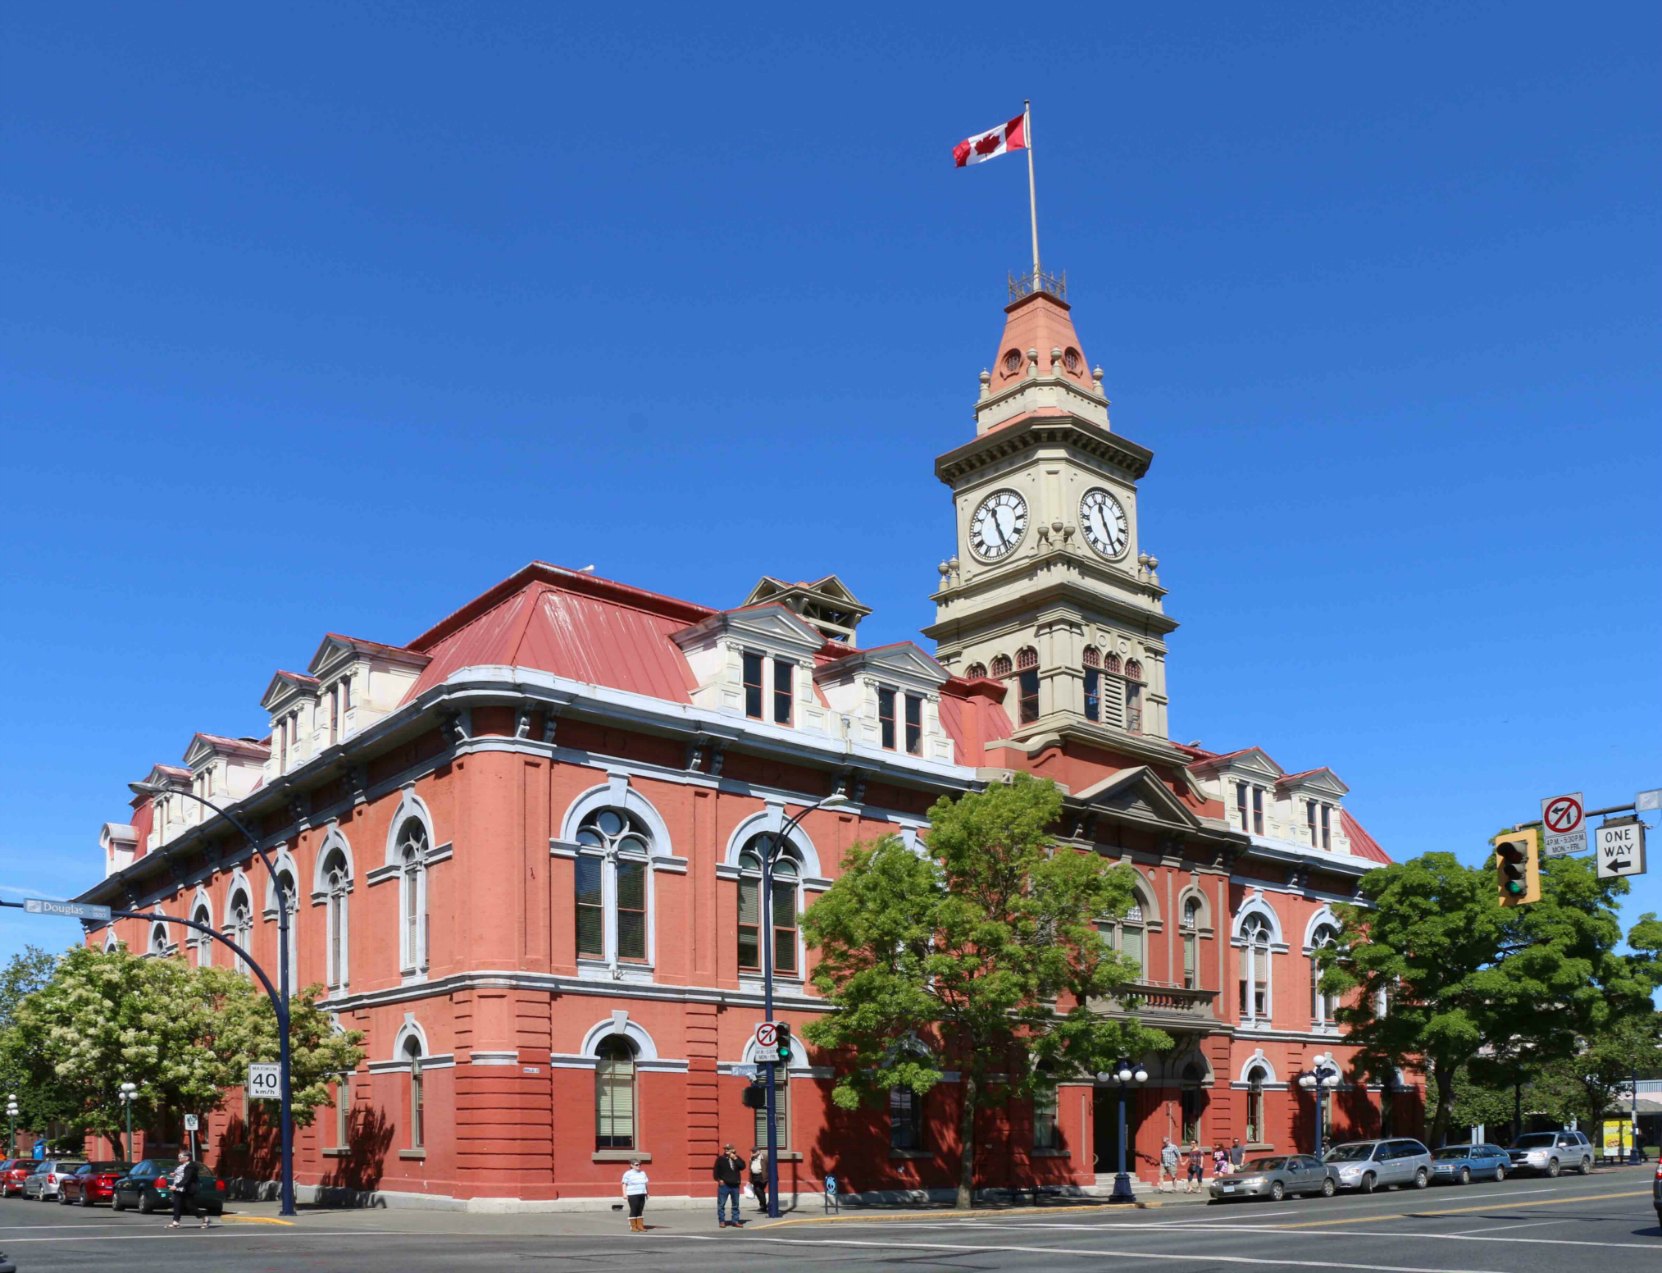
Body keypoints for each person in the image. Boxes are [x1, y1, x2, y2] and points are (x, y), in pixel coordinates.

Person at [165, 1148, 208, 1230]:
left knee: (190, 1206)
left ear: (187, 1158)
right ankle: (175, 1221)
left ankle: (204, 1218)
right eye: (178, 1156)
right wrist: (174, 1174)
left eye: (181, 1156)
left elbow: (187, 1179)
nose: (179, 1158)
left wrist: (176, 1186)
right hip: (179, 1188)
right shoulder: (182, 1165)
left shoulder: (191, 1167)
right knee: (177, 1204)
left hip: (187, 1188)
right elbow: (181, 1173)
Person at [713, 1143, 744, 1228]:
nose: (726, 1150)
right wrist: (719, 1180)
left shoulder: (736, 1158)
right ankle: (722, 1221)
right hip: (724, 1185)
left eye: (728, 1149)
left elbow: (742, 1166)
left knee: (735, 1205)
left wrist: (735, 1158)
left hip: (735, 1185)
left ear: (733, 1150)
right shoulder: (720, 1159)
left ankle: (735, 1221)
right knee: (721, 1205)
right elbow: (715, 1172)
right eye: (725, 1149)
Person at [621, 1158, 649, 1233]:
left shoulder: (642, 1173)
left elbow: (645, 1184)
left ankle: (640, 1226)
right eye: (637, 1164)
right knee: (634, 1209)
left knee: (640, 1210)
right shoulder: (628, 1173)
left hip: (642, 1193)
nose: (639, 1166)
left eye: (640, 1164)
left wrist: (647, 1193)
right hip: (632, 1194)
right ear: (631, 1165)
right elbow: (624, 1184)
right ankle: (633, 1226)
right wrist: (624, 1194)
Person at [748, 1145, 769, 1215]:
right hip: (754, 1176)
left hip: (762, 1176)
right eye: (752, 1151)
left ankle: (764, 1206)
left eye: (754, 1151)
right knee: (758, 1191)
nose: (753, 1153)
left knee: (758, 1190)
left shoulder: (764, 1157)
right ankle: (763, 1206)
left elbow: (770, 1166)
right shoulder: (752, 1158)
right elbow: (750, 1168)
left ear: (759, 1151)